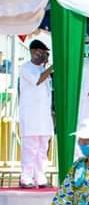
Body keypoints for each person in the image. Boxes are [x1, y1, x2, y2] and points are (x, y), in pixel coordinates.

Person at [19, 39, 53, 188]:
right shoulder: (26, 68)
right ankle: (26, 178)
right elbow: (38, 81)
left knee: (42, 149)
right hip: (31, 118)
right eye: (42, 52)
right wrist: (52, 66)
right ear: (34, 52)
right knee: (30, 148)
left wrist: (48, 67)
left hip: (44, 119)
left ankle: (40, 177)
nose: (44, 55)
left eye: (46, 53)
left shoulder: (43, 70)